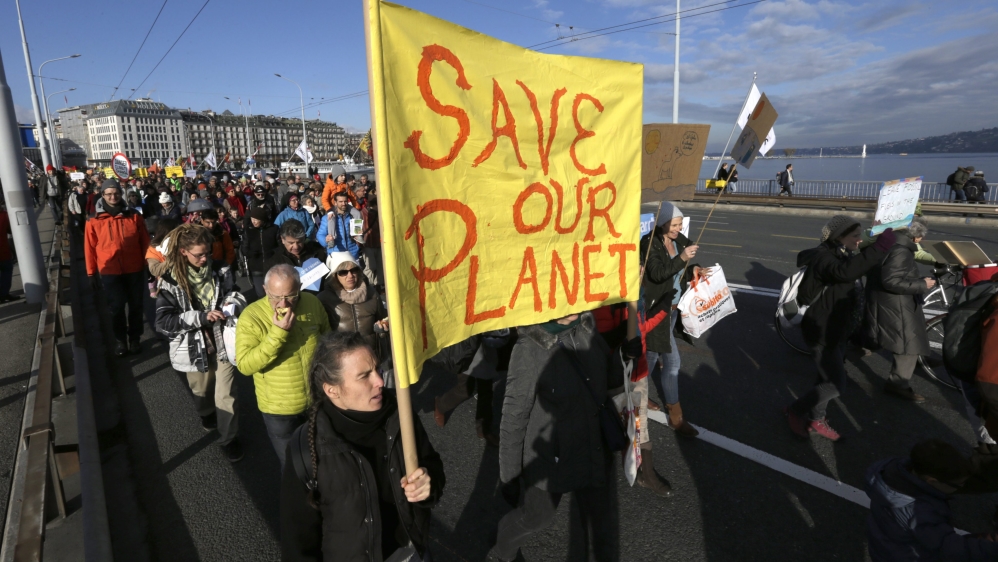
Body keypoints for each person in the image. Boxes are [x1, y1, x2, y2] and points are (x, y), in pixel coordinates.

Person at [280, 331, 445, 561]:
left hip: (411, 551)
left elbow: (432, 465)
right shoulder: (307, 447)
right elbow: (298, 540)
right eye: (364, 376)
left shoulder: (400, 414)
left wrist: (428, 484)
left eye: (377, 369)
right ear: (332, 390)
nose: (380, 381)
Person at [490, 312, 635, 562]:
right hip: (550, 459)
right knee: (537, 517)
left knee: (601, 527)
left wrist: (624, 356)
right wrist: (509, 476)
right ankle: (503, 550)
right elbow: (514, 416)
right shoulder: (529, 347)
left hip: (593, 449)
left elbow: (605, 381)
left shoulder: (586, 326)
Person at [785, 216, 895, 441]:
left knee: (824, 378)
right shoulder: (823, 257)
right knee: (836, 384)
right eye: (855, 236)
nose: (859, 240)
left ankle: (816, 419)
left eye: (860, 235)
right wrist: (881, 246)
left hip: (839, 329)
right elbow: (845, 272)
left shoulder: (843, 253)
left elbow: (859, 265)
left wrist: (878, 235)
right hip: (822, 331)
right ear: (838, 237)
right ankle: (795, 410)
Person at [155, 223, 245, 462]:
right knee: (202, 391)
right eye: (199, 255)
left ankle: (229, 439)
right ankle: (205, 412)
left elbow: (234, 292)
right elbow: (163, 322)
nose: (205, 259)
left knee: (226, 393)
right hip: (193, 346)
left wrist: (233, 303)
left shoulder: (220, 269)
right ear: (183, 252)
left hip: (223, 340)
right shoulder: (170, 281)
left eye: (208, 252)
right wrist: (201, 317)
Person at [235, 264, 331, 466]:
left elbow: (327, 341)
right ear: (264, 289)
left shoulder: (312, 303)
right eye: (275, 297)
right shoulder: (251, 316)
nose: (283, 304)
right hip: (279, 410)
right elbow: (245, 365)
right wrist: (279, 333)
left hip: (317, 400)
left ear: (300, 287)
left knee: (325, 460)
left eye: (291, 296)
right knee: (292, 468)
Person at [865, 439, 998, 560]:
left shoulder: (894, 474)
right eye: (958, 485)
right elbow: (947, 547)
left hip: (885, 546)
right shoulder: (921, 513)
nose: (962, 487)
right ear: (932, 481)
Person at [640, 202, 702, 444]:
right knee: (673, 361)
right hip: (658, 309)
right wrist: (682, 258)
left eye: (680, 224)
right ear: (663, 222)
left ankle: (637, 394)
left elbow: (680, 271)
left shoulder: (679, 241)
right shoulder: (650, 243)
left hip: (675, 307)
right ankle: (676, 418)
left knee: (652, 356)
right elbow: (657, 273)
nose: (678, 229)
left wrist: (694, 268)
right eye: (674, 225)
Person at [863, 221, 935, 403]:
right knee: (907, 345)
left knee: (880, 337)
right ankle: (898, 385)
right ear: (915, 237)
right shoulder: (901, 250)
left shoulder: (889, 243)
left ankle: (841, 357)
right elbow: (891, 281)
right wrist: (922, 284)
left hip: (885, 301)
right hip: (897, 305)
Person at [85, 179, 151, 356]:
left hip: (134, 268)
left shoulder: (134, 216)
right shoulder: (93, 219)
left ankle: (135, 339)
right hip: (110, 272)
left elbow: (145, 242)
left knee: (136, 306)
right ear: (103, 195)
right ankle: (120, 341)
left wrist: (150, 265)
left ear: (121, 194)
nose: (113, 197)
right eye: (109, 194)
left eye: (116, 193)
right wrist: (91, 273)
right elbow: (89, 248)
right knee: (116, 308)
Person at [430, 330, 509, 447]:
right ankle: (441, 405)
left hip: (485, 340)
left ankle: (484, 429)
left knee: (486, 389)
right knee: (465, 389)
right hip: (465, 343)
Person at [317, 252, 388, 356]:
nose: (350, 275)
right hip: (341, 357)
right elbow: (322, 332)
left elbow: (383, 319)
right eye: (343, 272)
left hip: (371, 354)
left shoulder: (372, 294)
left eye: (354, 270)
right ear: (334, 276)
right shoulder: (324, 298)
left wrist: (382, 330)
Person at [243, 206, 280, 299]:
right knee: (261, 294)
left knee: (275, 292)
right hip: (256, 267)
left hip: (272, 265)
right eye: (252, 219)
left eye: (256, 219)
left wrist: (273, 253)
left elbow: (280, 246)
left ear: (262, 219)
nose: (253, 221)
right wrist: (250, 253)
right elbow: (244, 249)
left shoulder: (274, 229)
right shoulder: (249, 231)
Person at [317, 191, 364, 262]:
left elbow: (359, 232)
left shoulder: (352, 216)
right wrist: (325, 240)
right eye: (341, 202)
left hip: (353, 253)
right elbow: (320, 235)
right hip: (336, 255)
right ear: (335, 202)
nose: (344, 204)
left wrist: (359, 234)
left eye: (345, 201)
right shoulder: (327, 218)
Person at [0, 206, 17, 303]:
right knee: (6, 271)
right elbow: (11, 230)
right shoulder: (4, 215)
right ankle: (3, 294)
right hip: (3, 250)